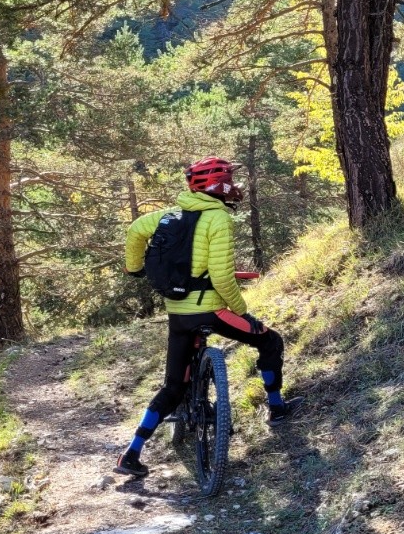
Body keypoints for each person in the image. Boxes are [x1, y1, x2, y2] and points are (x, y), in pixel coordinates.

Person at [116, 156, 299, 479]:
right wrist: (244, 313)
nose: (233, 184)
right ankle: (276, 407)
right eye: (229, 178)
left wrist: (134, 269)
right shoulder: (218, 220)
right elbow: (222, 277)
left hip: (177, 315)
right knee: (270, 340)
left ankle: (132, 452)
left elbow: (134, 231)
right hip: (212, 311)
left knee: (173, 386)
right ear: (220, 185)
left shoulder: (166, 217)